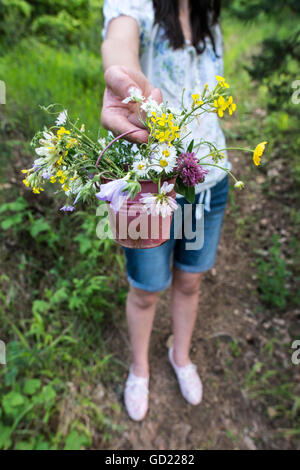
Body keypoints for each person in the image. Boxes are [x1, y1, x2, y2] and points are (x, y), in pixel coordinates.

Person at [101, 0, 230, 421]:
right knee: (145, 288)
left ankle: (180, 355)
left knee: (189, 283)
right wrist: (123, 82)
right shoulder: (136, 5)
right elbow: (121, 39)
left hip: (206, 184)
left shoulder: (209, 16)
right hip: (149, 186)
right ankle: (140, 369)